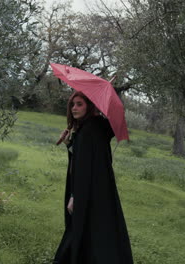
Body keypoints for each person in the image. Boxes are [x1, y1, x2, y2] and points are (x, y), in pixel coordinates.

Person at [53, 91, 133, 264]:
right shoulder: (93, 126)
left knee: (85, 226)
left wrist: (75, 196)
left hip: (87, 188)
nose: (74, 108)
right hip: (98, 188)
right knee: (97, 227)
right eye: (73, 104)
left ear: (89, 106)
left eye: (80, 104)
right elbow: (83, 157)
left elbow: (83, 168)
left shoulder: (89, 129)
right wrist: (69, 143)